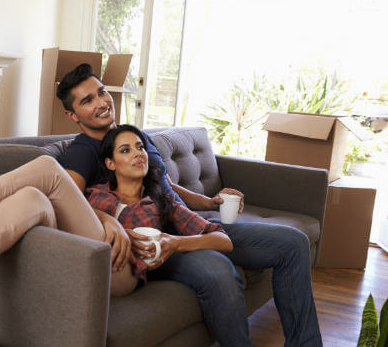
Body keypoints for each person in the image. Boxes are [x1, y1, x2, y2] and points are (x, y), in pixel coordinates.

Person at [55, 63, 322, 346]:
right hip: (151, 242)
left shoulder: (134, 137)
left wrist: (210, 200)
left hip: (187, 225)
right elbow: (66, 202)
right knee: (218, 270)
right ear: (72, 115)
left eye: (101, 92)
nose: (101, 102)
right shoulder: (81, 153)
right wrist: (107, 220)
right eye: (87, 100)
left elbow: (165, 182)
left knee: (293, 243)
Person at [0, 125, 230, 317]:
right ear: (110, 163)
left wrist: (172, 242)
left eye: (141, 148)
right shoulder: (96, 192)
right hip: (77, 250)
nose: (138, 155)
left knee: (48, 168)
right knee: (31, 196)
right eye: (125, 149)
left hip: (120, 272)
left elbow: (221, 239)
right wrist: (105, 217)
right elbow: (71, 209)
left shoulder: (162, 199)